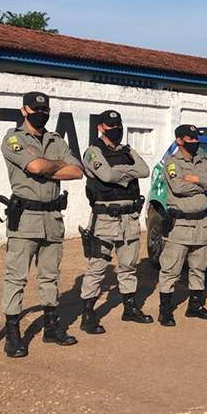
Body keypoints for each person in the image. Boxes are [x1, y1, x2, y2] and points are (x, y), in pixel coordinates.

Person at [0, 92, 84, 358]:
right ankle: (12, 334)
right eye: (36, 108)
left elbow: (77, 171)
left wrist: (49, 167)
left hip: (52, 218)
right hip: (25, 219)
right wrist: (54, 167)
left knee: (50, 276)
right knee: (17, 277)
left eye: (45, 108)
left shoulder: (55, 139)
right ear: (24, 110)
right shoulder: (13, 139)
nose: (42, 112)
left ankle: (51, 327)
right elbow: (34, 166)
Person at [78, 110, 152, 335]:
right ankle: (88, 314)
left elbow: (144, 170)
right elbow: (107, 176)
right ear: (101, 127)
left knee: (128, 265)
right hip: (105, 219)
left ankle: (129, 307)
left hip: (129, 217)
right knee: (97, 268)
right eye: (111, 126)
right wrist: (128, 172)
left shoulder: (128, 150)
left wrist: (120, 171)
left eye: (118, 125)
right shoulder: (93, 151)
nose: (116, 129)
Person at [157, 124, 207, 326]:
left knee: (199, 267)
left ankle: (195, 307)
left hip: (201, 223)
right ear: (179, 140)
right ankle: (165, 310)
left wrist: (195, 178)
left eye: (196, 139)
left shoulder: (202, 159)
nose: (194, 142)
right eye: (190, 139)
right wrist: (203, 184)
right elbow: (178, 186)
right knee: (171, 269)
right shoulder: (172, 162)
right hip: (180, 224)